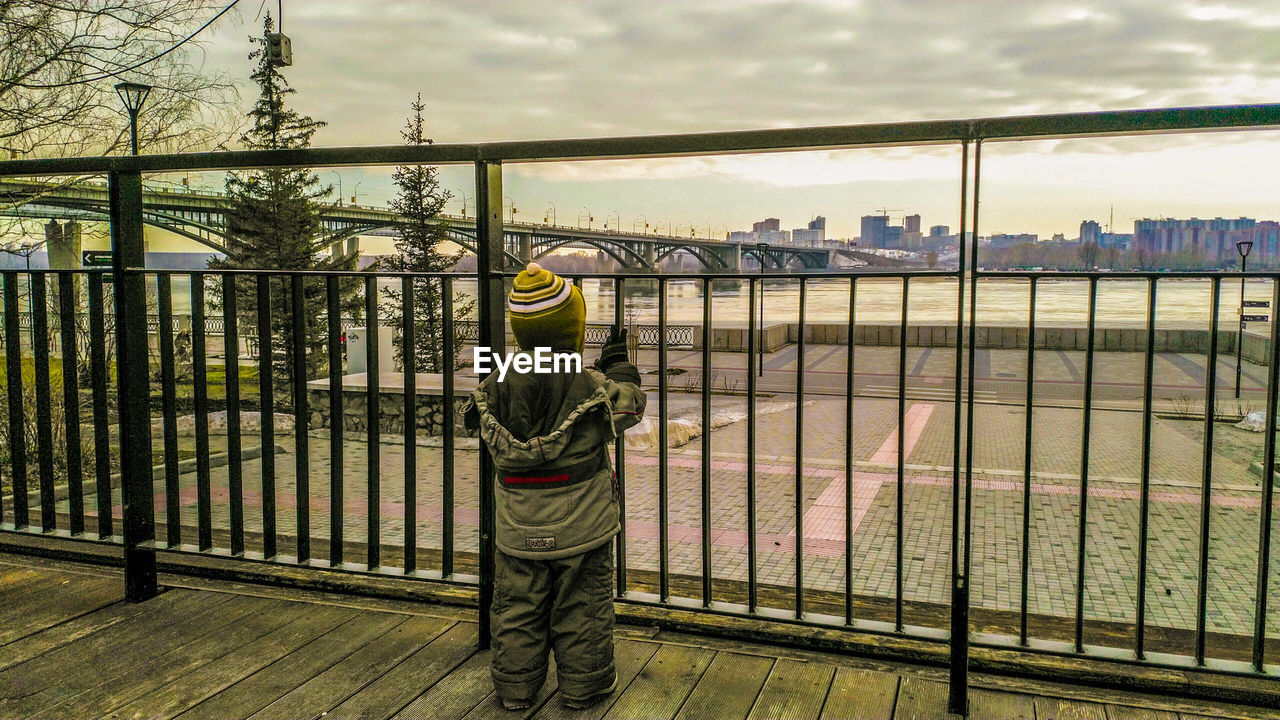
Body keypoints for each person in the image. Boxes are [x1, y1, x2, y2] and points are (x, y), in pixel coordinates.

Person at [464, 262, 646, 711]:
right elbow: (629, 409)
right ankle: (586, 687)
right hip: (582, 526)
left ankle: (515, 689)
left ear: (521, 334)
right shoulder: (588, 383)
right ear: (574, 331)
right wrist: (621, 370)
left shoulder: (495, 384)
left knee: (516, 610)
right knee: (582, 609)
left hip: (516, 526)